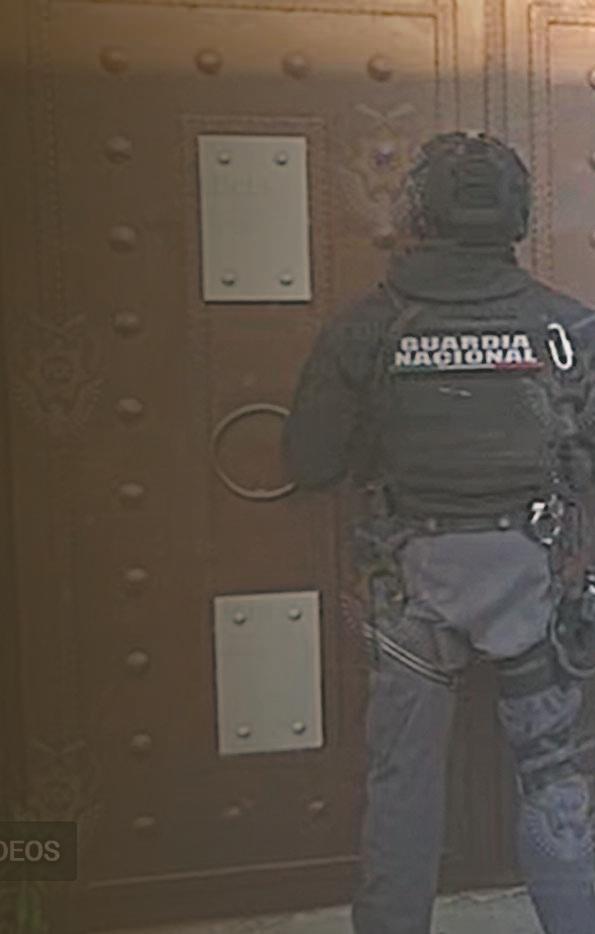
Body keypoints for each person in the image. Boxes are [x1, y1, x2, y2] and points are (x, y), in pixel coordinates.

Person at [283, 131, 595, 934]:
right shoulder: (570, 327)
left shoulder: (366, 327)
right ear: (517, 216)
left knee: (403, 785)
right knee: (555, 783)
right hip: (534, 588)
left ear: (418, 213)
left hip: (411, 587)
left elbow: (310, 462)